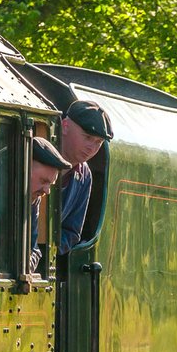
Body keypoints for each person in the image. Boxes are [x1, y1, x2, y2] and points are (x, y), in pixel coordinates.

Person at [58, 99, 113, 254]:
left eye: (99, 142)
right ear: (65, 126)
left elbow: (71, 232)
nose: (92, 148)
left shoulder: (85, 176)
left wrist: (47, 250)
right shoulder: (32, 156)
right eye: (88, 137)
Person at [30, 138, 70, 273]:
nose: (47, 191)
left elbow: (34, 249)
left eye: (50, 185)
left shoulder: (33, 200)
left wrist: (24, 267)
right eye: (43, 181)